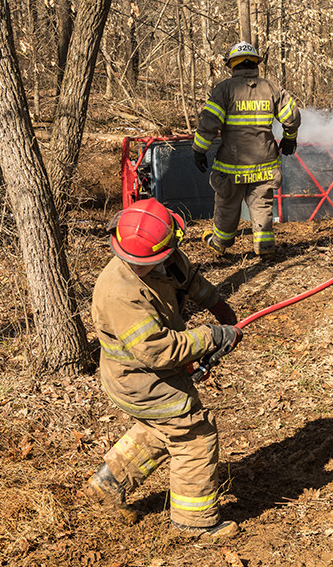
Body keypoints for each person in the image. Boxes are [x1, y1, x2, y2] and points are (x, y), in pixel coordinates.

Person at [85, 197, 243, 539]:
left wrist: (216, 304)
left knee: (160, 430)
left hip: (148, 379)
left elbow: (186, 279)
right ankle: (194, 522)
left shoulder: (163, 257)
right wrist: (210, 337)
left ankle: (108, 483)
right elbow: (158, 351)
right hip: (140, 382)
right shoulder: (119, 294)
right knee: (193, 436)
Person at [192, 41, 301, 257]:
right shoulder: (271, 88)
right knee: (262, 206)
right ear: (256, 65)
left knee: (227, 205)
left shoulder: (224, 90)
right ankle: (265, 247)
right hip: (265, 164)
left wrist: (199, 150)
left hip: (231, 167)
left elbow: (209, 123)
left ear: (233, 65)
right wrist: (289, 138)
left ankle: (220, 244)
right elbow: (292, 116)